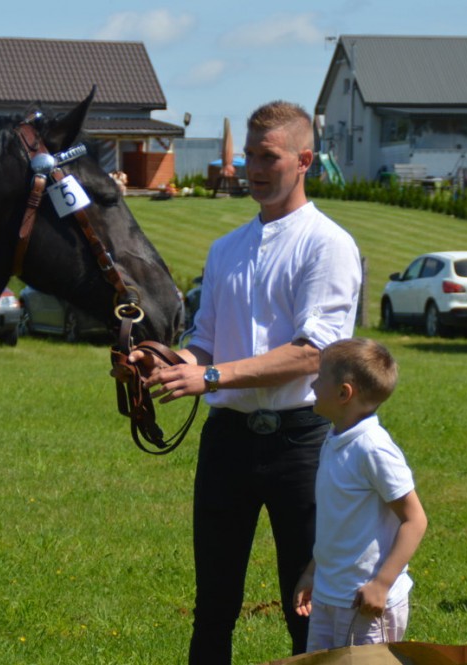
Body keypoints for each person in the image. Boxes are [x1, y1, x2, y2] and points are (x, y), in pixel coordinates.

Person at [133, 100, 362, 663]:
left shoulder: (327, 244)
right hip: (228, 441)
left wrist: (210, 376)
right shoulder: (225, 249)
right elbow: (206, 340)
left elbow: (313, 354)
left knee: (306, 607)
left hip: (302, 441)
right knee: (213, 606)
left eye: (268, 157)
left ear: (304, 160)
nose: (252, 168)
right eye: (248, 156)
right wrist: (165, 361)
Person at [293, 338, 428, 649]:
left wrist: (382, 584)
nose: (313, 384)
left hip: (363, 602)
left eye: (320, 377)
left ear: (344, 393)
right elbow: (335, 524)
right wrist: (313, 572)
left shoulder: (373, 448)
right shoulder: (334, 439)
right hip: (328, 594)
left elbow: (415, 520)